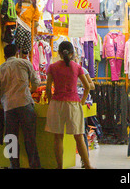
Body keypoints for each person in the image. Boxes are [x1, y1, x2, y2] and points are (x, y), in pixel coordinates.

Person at [45, 41, 93, 169]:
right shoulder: (77, 67)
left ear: (59, 53)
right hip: (73, 104)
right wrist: (82, 101)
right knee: (79, 137)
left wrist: (51, 101)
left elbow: (48, 88)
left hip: (56, 104)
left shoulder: (52, 67)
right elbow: (87, 86)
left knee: (58, 137)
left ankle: (59, 166)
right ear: (72, 53)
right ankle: (87, 165)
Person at [0, 44, 41, 169]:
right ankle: (34, 166)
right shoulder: (24, 63)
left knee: (11, 138)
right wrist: (29, 91)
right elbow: (36, 82)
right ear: (17, 53)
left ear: (4, 56)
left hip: (8, 107)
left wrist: (1, 100)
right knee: (30, 138)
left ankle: (14, 165)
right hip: (25, 103)